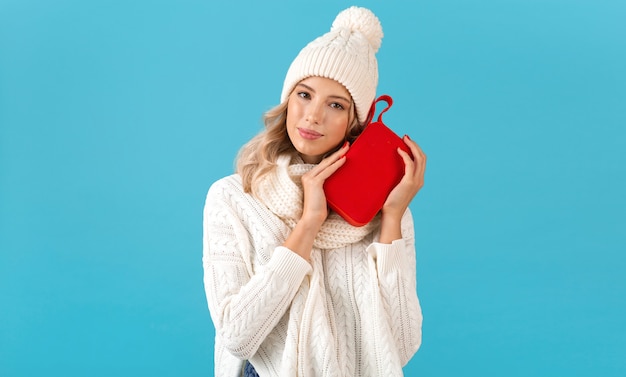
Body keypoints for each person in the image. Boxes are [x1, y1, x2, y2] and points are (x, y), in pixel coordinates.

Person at [203, 6, 426, 377]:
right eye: (304, 95)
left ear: (357, 119)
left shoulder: (384, 208)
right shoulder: (233, 198)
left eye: (335, 104)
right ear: (287, 99)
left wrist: (391, 220)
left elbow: (400, 346)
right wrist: (309, 223)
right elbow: (237, 338)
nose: (313, 116)